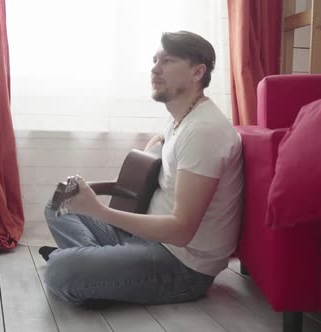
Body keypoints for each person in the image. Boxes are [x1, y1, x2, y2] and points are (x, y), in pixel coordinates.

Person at [39, 30, 244, 308]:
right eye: (155, 59)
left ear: (197, 72)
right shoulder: (181, 119)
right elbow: (167, 149)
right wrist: (154, 147)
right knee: (56, 205)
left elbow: (182, 231)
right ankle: (100, 270)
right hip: (146, 238)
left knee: (59, 272)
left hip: (182, 264)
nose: (155, 69)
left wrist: (98, 210)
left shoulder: (205, 131)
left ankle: (90, 270)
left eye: (167, 61)